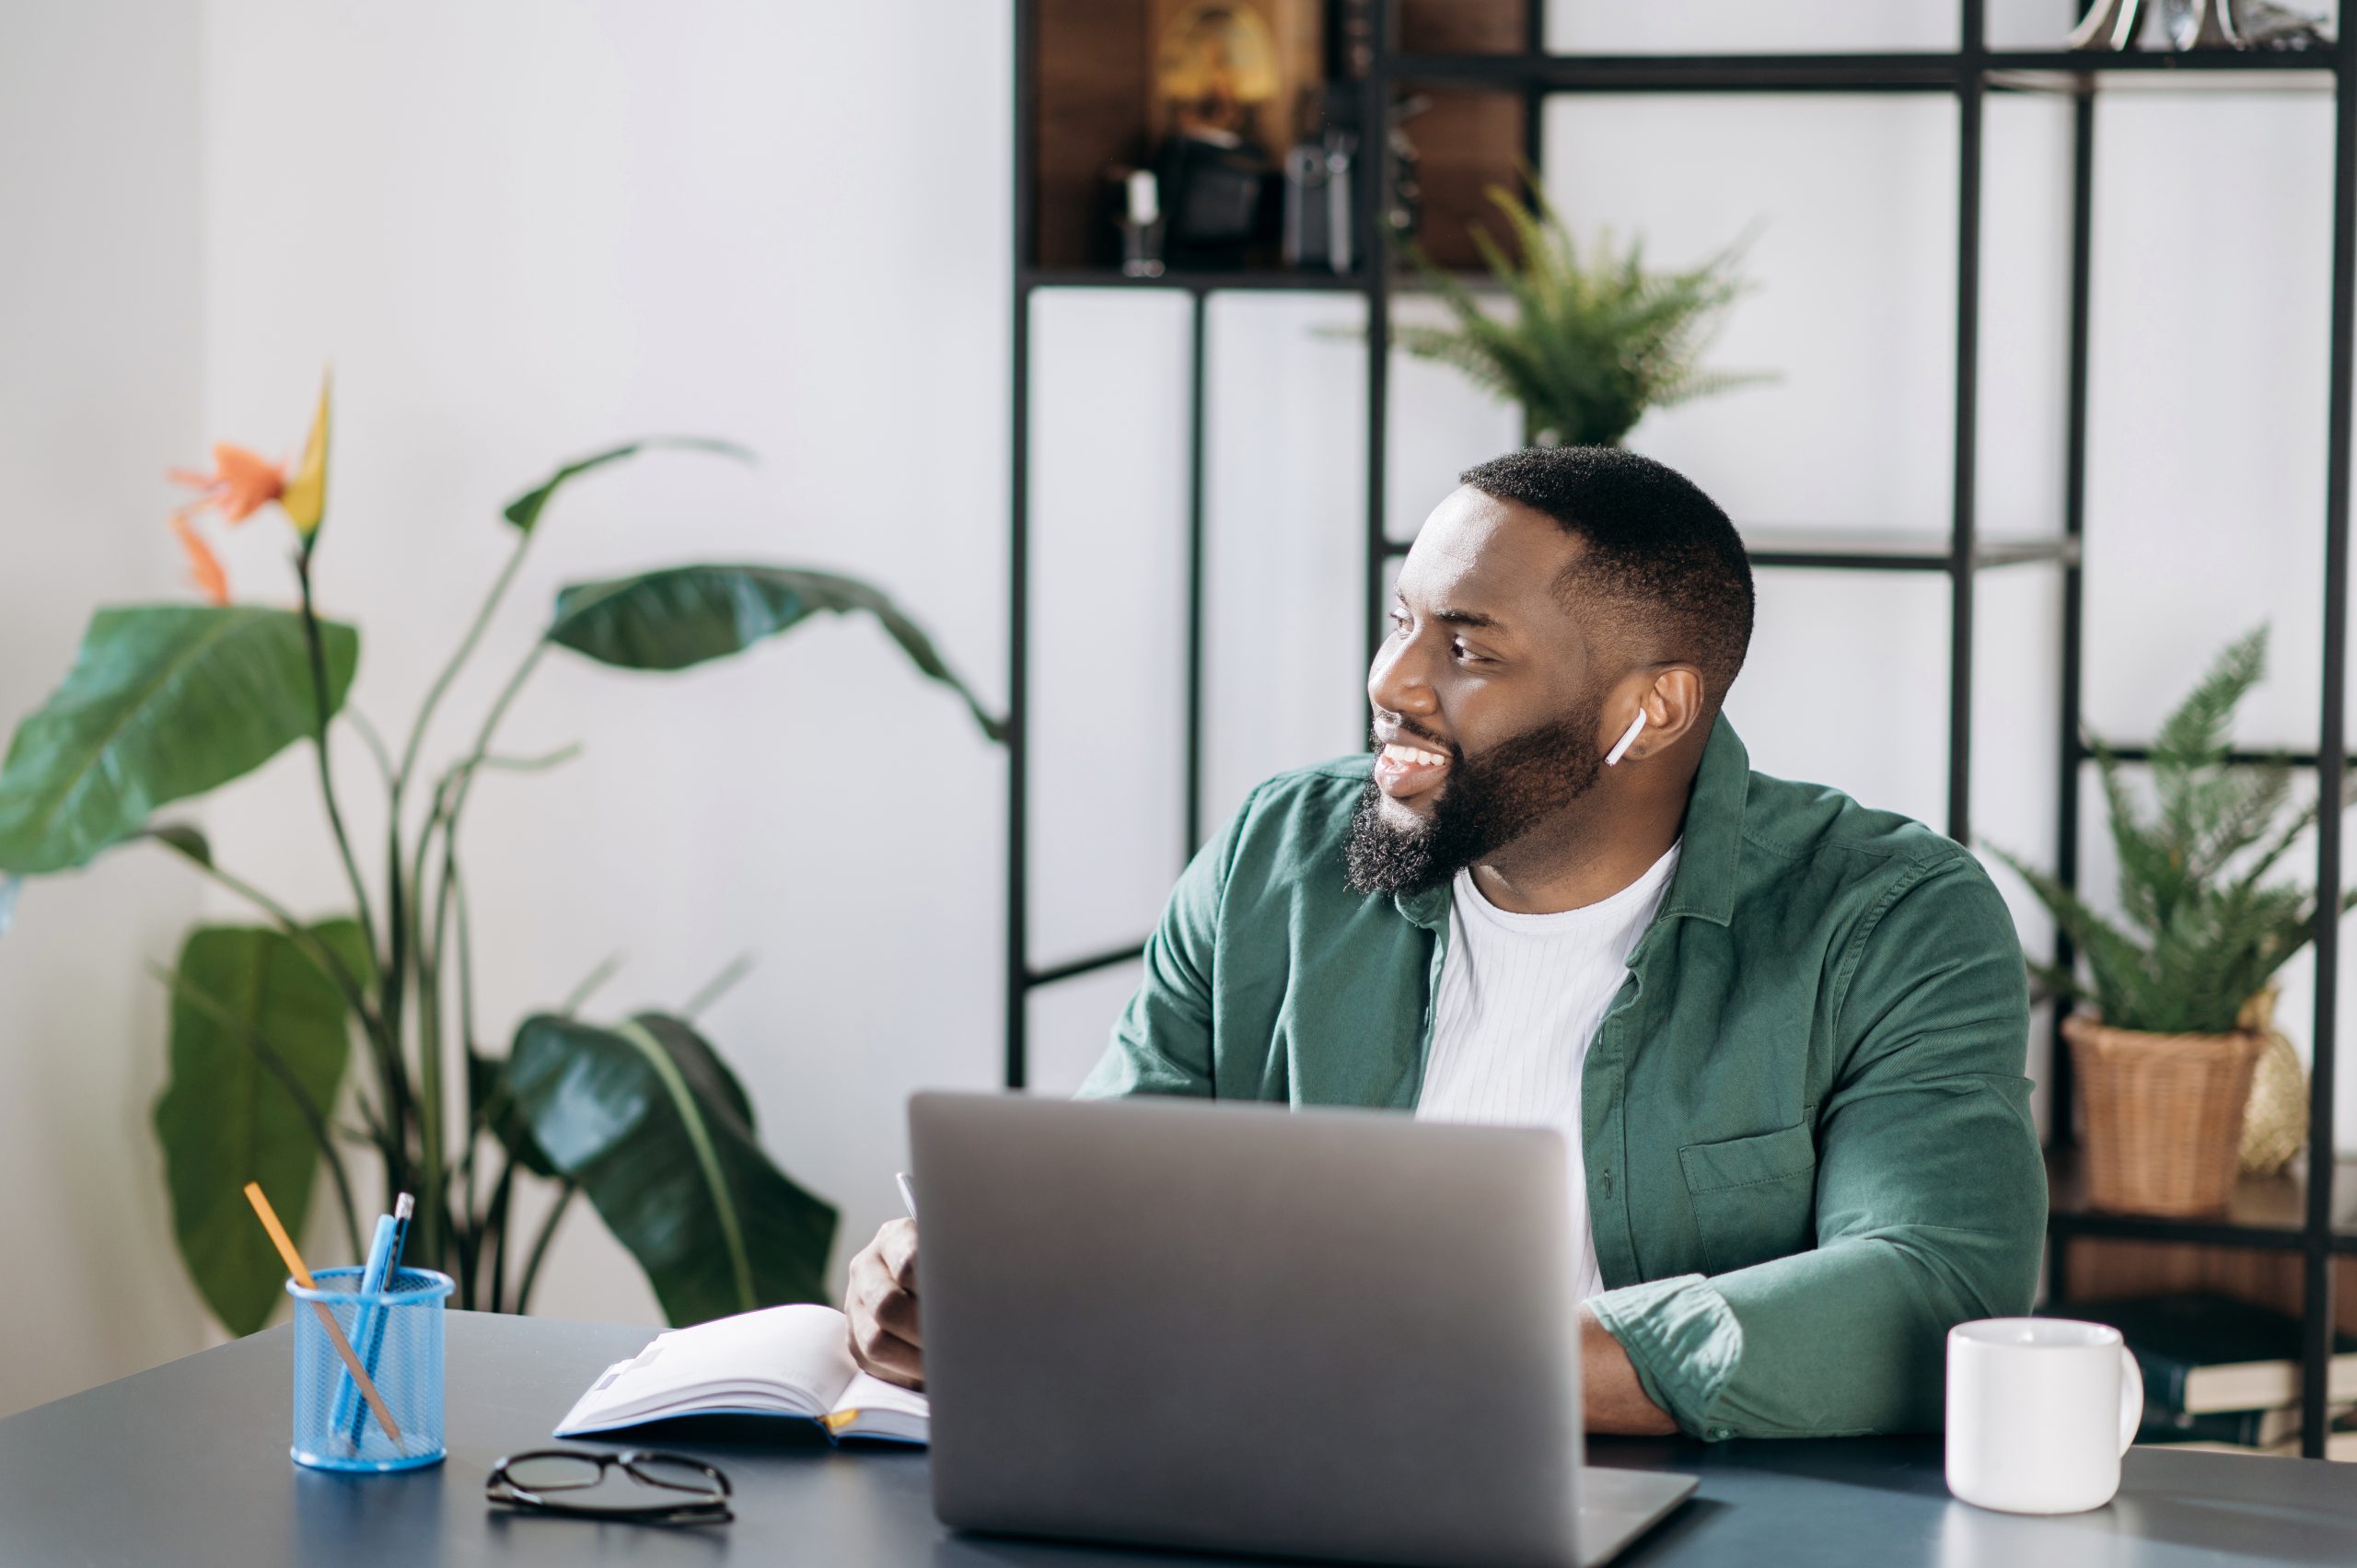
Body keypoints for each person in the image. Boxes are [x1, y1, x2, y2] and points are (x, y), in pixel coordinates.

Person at [846, 446, 2046, 1440]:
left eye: (1466, 649)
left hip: (1685, 1518)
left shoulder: (1891, 916)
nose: (1392, 682)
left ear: (1650, 711)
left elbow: (1932, 1287)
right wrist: (968, 1273)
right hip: (1264, 1479)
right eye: (1399, 623)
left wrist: (1423, 1363)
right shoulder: (1281, 854)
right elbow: (1109, 1188)